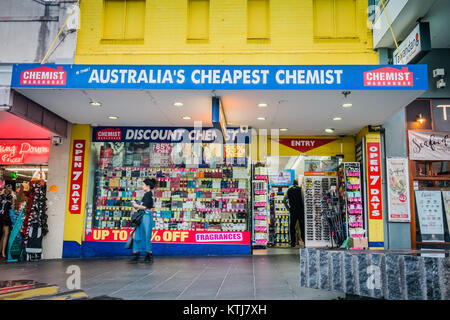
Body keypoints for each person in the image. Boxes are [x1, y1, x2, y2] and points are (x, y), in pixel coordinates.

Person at [130, 178, 157, 263]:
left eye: (143, 185)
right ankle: (144, 254)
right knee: (139, 235)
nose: (142, 186)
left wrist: (136, 205)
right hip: (144, 217)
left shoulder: (148, 195)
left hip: (145, 218)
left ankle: (146, 255)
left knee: (143, 235)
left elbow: (145, 207)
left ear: (148, 186)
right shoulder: (148, 194)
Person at [283, 180, 305, 248]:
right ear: (297, 184)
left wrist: (288, 209)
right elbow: (303, 199)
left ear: (293, 184)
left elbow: (284, 200)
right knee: (302, 226)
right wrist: (303, 208)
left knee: (292, 226)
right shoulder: (300, 189)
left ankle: (293, 242)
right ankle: (304, 240)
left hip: (293, 211)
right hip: (300, 210)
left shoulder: (289, 190)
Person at [0, 186, 14, 260]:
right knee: (5, 234)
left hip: (3, 217)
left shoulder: (2, 197)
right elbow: (13, 208)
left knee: (4, 234)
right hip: (5, 217)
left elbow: (12, 207)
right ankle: (3, 252)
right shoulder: (11, 198)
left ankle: (2, 251)